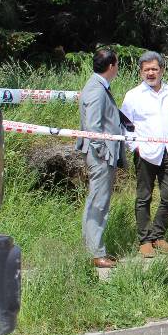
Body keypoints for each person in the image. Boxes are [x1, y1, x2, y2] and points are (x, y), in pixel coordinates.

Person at [121, 51, 168, 258]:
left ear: (162, 70)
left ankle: (158, 236)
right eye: (146, 70)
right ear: (141, 72)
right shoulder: (133, 95)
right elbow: (125, 125)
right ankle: (145, 240)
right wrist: (136, 147)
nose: (151, 73)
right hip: (146, 153)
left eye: (154, 69)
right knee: (144, 197)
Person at [75, 48, 126, 268]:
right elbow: (93, 127)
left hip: (100, 153)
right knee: (99, 202)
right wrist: (104, 152)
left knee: (96, 201)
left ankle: (90, 249)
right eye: (117, 64)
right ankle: (96, 253)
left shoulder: (97, 85)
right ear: (112, 66)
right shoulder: (96, 90)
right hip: (101, 155)